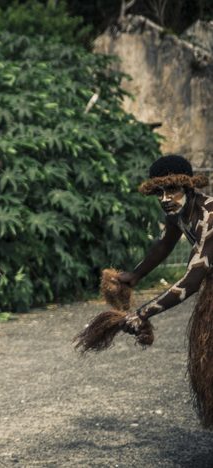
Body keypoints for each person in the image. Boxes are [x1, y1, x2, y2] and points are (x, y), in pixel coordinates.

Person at [115, 154, 213, 427]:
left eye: (172, 190)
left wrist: (143, 313)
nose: (164, 198)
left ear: (189, 187)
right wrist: (135, 275)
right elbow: (163, 246)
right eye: (159, 192)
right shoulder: (178, 214)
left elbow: (192, 281)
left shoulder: (209, 216)